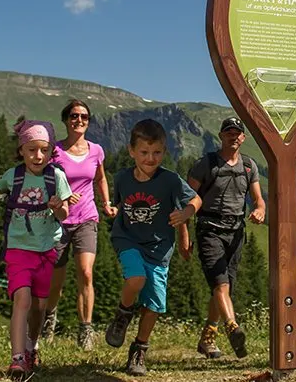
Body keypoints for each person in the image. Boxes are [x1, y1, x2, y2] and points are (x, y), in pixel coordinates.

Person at [0, 118, 71, 379]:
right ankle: (18, 358)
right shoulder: (13, 177)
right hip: (18, 249)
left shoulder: (57, 177)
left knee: (40, 305)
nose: (38, 155)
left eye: (44, 149)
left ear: (51, 150)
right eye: (31, 149)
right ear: (21, 150)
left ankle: (32, 346)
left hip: (46, 248)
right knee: (22, 299)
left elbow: (65, 213)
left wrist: (58, 207)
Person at [103, 119, 202, 376]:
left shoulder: (170, 181)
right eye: (144, 152)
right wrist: (113, 208)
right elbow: (118, 202)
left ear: (164, 152)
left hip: (159, 248)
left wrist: (186, 213)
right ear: (131, 151)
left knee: (154, 305)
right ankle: (123, 314)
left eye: (156, 152)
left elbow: (196, 199)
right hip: (128, 239)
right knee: (136, 277)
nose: (150, 158)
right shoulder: (123, 177)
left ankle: (139, 349)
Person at [187, 116, 266, 359]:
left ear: (243, 137)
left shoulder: (249, 166)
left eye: (237, 132)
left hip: (236, 232)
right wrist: (184, 234)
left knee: (223, 286)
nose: (233, 136)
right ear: (221, 136)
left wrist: (260, 209)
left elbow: (258, 198)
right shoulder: (205, 164)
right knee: (221, 283)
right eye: (228, 132)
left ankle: (207, 338)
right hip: (209, 228)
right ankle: (232, 327)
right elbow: (186, 199)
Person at [40, 99, 113, 350]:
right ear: (66, 119)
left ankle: (86, 330)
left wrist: (106, 202)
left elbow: (101, 178)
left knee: (86, 273)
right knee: (55, 280)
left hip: (87, 218)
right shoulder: (55, 151)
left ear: (88, 121)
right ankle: (49, 320)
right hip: (59, 221)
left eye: (84, 116)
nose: (79, 120)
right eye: (74, 115)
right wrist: (60, 196)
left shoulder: (96, 151)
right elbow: (45, 183)